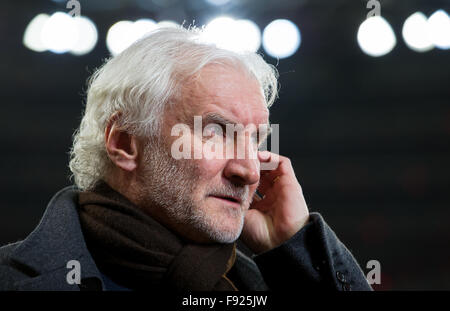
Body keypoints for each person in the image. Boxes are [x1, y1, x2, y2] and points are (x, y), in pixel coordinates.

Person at [0, 27, 372, 291]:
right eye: (216, 133)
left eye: (256, 140)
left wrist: (299, 249)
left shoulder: (273, 283)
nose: (249, 170)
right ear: (126, 142)